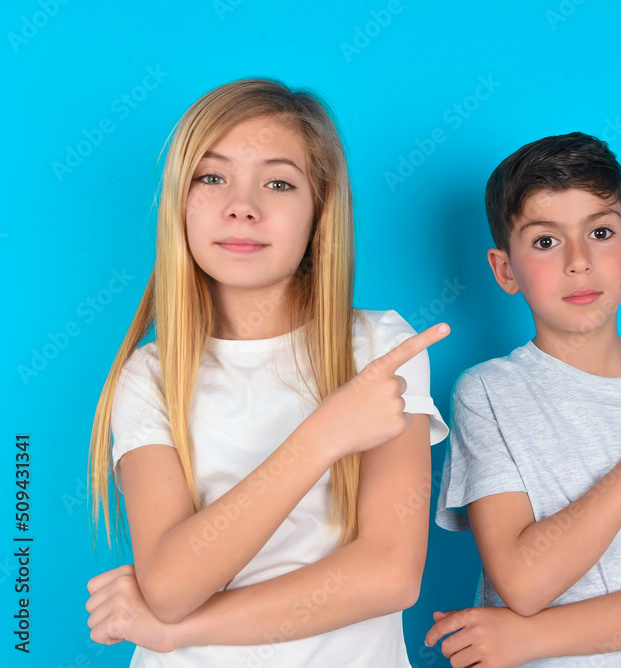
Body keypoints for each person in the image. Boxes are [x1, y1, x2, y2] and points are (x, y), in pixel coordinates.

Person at [84, 78, 450, 666]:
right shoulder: (148, 379)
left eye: (278, 182)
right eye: (212, 176)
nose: (242, 205)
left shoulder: (380, 346)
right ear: (180, 200)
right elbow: (171, 586)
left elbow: (388, 575)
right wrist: (324, 435)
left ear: (319, 211)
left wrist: (175, 631)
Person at [427, 132, 621, 666]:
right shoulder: (488, 391)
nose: (579, 261)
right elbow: (526, 582)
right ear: (505, 269)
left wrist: (529, 638)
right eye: (546, 241)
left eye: (600, 232)